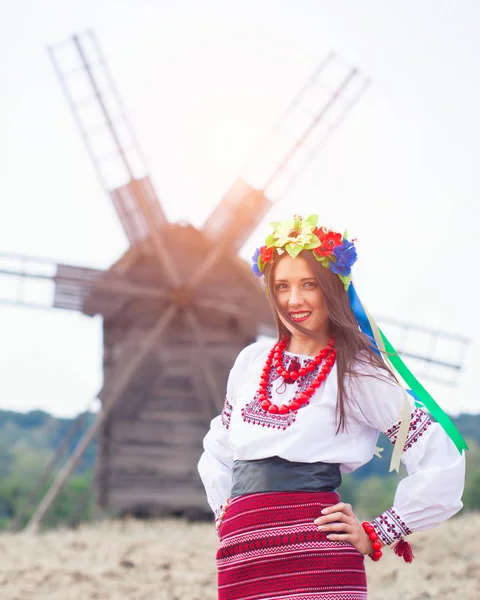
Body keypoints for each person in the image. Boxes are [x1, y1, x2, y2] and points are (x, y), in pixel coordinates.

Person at [197, 215, 466, 600]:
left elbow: (441, 457)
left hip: (317, 558)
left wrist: (379, 530)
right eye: (282, 286)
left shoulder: (356, 372)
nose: (294, 299)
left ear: (333, 288)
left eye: (309, 284)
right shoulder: (251, 363)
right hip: (243, 558)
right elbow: (217, 452)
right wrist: (228, 513)